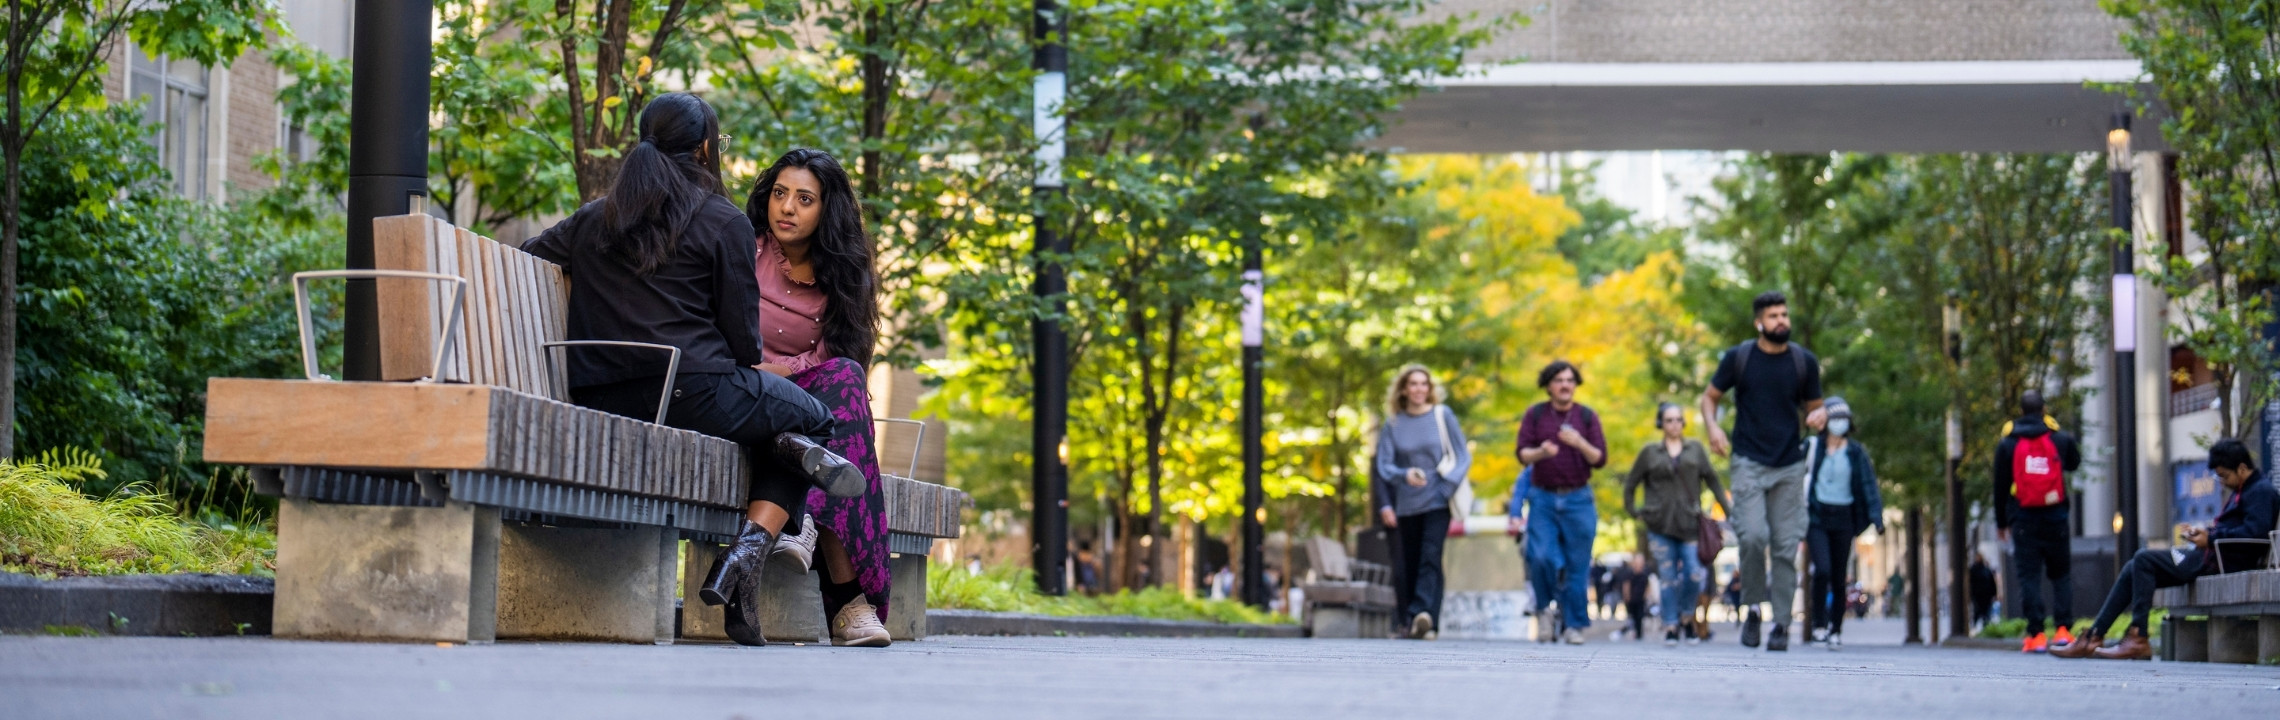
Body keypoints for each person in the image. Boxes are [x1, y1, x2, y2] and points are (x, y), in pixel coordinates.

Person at [520, 94, 864, 648]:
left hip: (595, 392)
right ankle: (744, 557)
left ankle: (746, 561)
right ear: (705, 148)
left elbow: (529, 253)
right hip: (694, 391)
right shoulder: (721, 221)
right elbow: (742, 343)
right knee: (813, 423)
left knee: (783, 429)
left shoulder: (596, 217)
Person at [725, 147, 898, 647]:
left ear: (827, 210)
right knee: (838, 401)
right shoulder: (746, 249)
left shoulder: (841, 278)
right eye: (780, 194)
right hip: (738, 397)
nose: (787, 208)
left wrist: (778, 369)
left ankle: (808, 522)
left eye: (804, 199)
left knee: (842, 381)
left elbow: (835, 359)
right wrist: (760, 372)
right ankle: (850, 605)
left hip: (804, 409)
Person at [2053, 439, 2276, 660]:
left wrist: (2211, 538)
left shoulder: (2260, 492)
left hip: (2220, 562)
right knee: (2134, 567)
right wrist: (2203, 533)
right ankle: (2095, 635)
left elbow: (2255, 533)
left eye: (2224, 475)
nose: (2221, 481)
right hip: (2211, 557)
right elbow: (2237, 528)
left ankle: (2138, 637)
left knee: (2143, 559)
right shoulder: (2245, 490)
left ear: (2242, 468)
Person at [1699, 291, 1825, 652]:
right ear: (1759, 322)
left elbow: (1816, 409)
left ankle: (1781, 624)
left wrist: (1819, 416)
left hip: (1788, 464)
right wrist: (1713, 427)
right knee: (1752, 537)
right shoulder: (1739, 358)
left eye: (1784, 314)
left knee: (1786, 545)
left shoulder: (1804, 362)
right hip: (1748, 461)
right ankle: (1752, 608)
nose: (1781, 320)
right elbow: (1710, 397)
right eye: (1773, 316)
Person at [1374, 363, 1472, 640]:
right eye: (1413, 384)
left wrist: (1447, 486)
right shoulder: (1393, 423)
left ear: (1430, 388)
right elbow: (1384, 465)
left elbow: (1462, 456)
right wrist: (1405, 474)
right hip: (1407, 503)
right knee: (1414, 560)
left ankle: (1421, 613)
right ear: (1403, 389)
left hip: (1439, 500)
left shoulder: (1443, 415)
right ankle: (1428, 622)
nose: (1419, 389)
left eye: (1423, 384)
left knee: (1431, 555)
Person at [1623, 402, 1732, 647]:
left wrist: (1728, 512)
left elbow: (1713, 480)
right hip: (1659, 525)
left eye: (1678, 419)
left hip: (1689, 524)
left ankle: (1685, 617)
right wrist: (1635, 511)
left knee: (1694, 574)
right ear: (1661, 423)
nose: (1674, 424)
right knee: (1668, 577)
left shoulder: (1695, 449)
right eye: (1669, 420)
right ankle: (1671, 625)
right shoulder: (1650, 452)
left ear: (1683, 423)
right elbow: (1631, 483)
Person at [1513, 359, 1608, 644]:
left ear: (1575, 385)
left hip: (1579, 498)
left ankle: (1573, 625)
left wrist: (1579, 442)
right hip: (1543, 497)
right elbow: (1522, 454)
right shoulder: (1536, 415)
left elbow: (1600, 459)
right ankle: (1544, 611)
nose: (1565, 385)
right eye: (1559, 380)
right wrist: (1541, 452)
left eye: (1570, 380)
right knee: (1540, 557)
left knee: (1578, 564)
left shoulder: (1587, 417)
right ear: (1548, 386)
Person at [1991, 389, 2083, 653]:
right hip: (2056, 517)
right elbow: (2074, 463)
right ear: (2043, 409)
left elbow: (2000, 486)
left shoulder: (2008, 443)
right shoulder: (2058, 438)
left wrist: (2001, 522)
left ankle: (2036, 635)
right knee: (2061, 575)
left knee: (2029, 577)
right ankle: (2064, 630)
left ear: (2020, 411)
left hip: (2023, 519)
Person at [1802, 397, 1882, 650]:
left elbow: (1868, 486)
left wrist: (1877, 518)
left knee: (1839, 577)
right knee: (1822, 570)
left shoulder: (1856, 452)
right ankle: (1818, 625)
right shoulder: (1813, 447)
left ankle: (1835, 629)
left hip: (1844, 518)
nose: (1839, 424)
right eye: (1835, 419)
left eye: (1843, 420)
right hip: (1816, 517)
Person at [1619, 554, 1651, 641]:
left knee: (1640, 616)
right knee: (1632, 616)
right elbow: (1626, 585)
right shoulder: (1629, 574)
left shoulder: (1645, 574)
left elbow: (1648, 586)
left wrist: (1646, 595)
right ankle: (1633, 631)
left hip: (1641, 599)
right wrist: (1627, 596)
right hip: (1632, 599)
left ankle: (1639, 633)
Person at [1968, 553, 1997, 631]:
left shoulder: (1984, 570)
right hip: (1980, 596)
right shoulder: (1976, 570)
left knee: (1983, 614)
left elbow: (1992, 583)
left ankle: (1983, 628)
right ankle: (1980, 628)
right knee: (1980, 614)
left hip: (1984, 596)